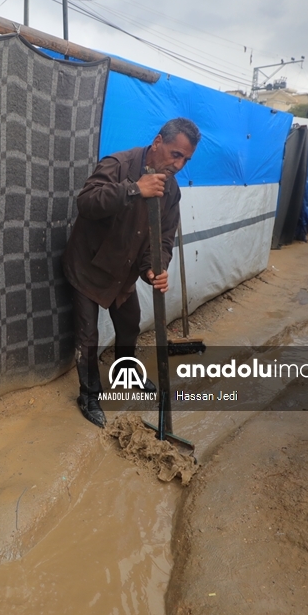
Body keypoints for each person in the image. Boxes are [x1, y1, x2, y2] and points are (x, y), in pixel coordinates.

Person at [62, 118, 201, 428]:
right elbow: (86, 203)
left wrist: (156, 268)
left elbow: (163, 239)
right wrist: (134, 190)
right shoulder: (118, 165)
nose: (178, 165)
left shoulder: (171, 191)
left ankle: (126, 372)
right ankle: (89, 395)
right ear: (157, 143)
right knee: (88, 336)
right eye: (175, 154)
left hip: (122, 273)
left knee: (129, 326)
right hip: (88, 265)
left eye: (185, 160)